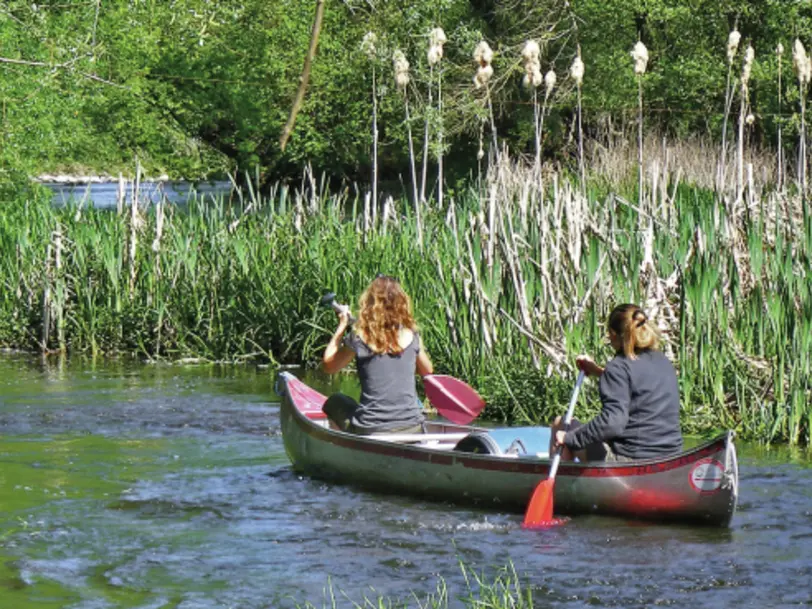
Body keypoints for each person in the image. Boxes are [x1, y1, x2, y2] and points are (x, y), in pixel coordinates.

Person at [551, 304, 683, 462]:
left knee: (561, 423)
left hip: (630, 460)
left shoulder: (619, 366)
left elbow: (613, 423)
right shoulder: (663, 361)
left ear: (613, 334)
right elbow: (637, 385)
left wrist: (570, 438)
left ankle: (562, 483)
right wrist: (599, 372)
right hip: (670, 458)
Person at [321, 274, 434, 434]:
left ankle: (345, 451)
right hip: (412, 428)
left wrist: (341, 326)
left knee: (335, 401)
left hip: (372, 428)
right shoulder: (413, 336)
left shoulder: (359, 337)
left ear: (369, 304)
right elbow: (427, 371)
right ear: (401, 304)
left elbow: (328, 366)